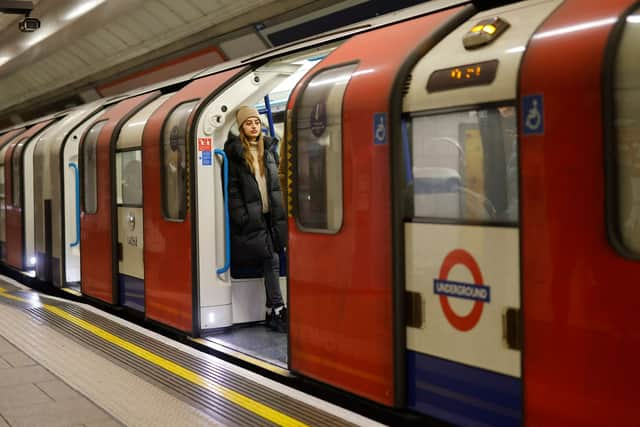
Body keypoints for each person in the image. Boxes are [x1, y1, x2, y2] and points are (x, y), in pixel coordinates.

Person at [224, 105, 288, 332]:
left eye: (257, 122)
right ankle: (279, 309)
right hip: (252, 218)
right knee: (271, 260)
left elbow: (276, 184)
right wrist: (243, 217)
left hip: (271, 216)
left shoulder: (269, 150)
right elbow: (232, 190)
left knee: (272, 259)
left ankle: (272, 311)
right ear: (241, 127)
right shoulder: (235, 154)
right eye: (249, 123)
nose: (254, 126)